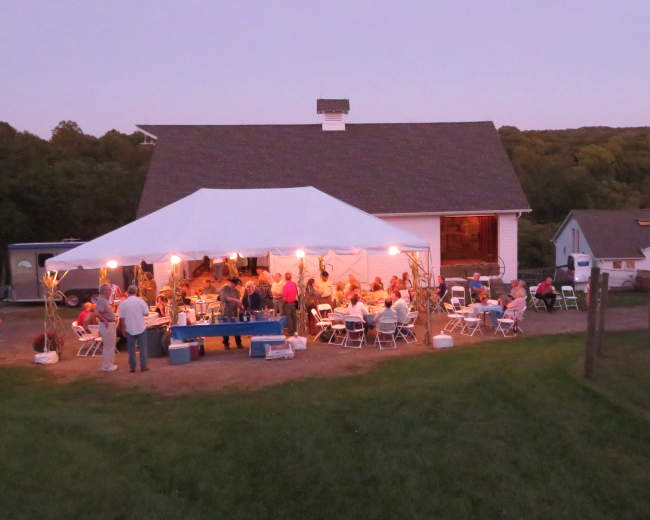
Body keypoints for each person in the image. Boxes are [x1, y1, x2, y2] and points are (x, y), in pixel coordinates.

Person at [118, 285, 150, 373]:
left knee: (131, 349)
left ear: (127, 292)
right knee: (142, 348)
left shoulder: (123, 303)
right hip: (140, 327)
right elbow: (146, 313)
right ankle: (143, 366)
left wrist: (122, 329)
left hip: (129, 328)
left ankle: (132, 367)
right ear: (136, 292)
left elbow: (121, 318)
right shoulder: (141, 301)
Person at [95, 284, 118, 372]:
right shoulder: (102, 301)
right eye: (109, 290)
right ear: (105, 291)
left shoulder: (104, 300)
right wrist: (104, 320)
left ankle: (108, 364)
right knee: (109, 346)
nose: (111, 292)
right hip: (107, 326)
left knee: (110, 345)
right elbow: (96, 313)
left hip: (109, 324)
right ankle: (107, 366)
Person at [220, 278, 244, 349]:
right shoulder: (224, 289)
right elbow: (225, 298)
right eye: (232, 283)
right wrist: (236, 300)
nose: (233, 285)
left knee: (236, 328)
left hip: (234, 312)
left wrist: (240, 306)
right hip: (225, 311)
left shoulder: (236, 291)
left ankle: (238, 343)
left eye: (235, 284)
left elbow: (238, 302)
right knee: (225, 328)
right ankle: (226, 344)